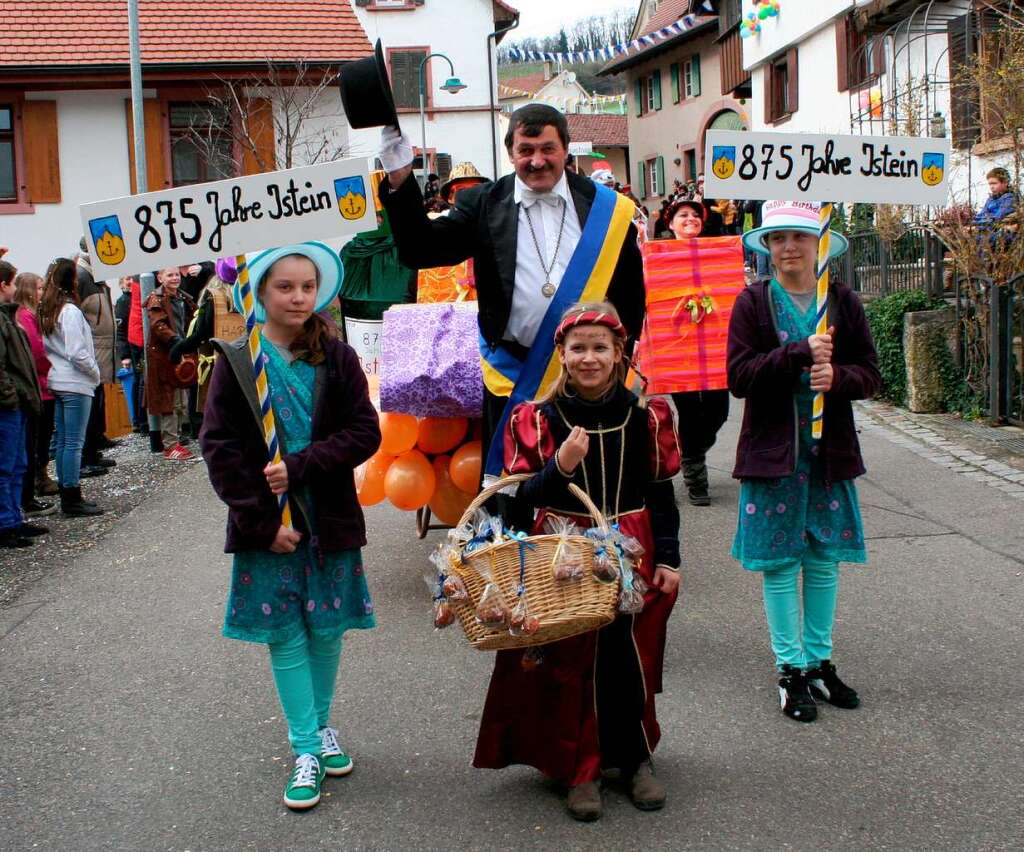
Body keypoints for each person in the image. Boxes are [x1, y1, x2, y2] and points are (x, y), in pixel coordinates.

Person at [473, 303, 681, 822]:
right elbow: (515, 501)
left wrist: (671, 558)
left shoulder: (645, 417)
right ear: (562, 356)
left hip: (632, 546)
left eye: (600, 348)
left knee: (629, 656)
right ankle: (579, 767)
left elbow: (660, 494)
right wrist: (560, 466)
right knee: (568, 660)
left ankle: (634, 758)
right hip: (560, 549)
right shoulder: (538, 418)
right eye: (579, 348)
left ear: (619, 354)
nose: (589, 358)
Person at [379, 104, 645, 501]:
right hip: (512, 372)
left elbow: (628, 293)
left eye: (547, 148)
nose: (537, 161)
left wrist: (620, 361)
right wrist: (400, 177)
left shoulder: (606, 208)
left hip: (588, 373)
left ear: (566, 149)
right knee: (510, 492)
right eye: (526, 150)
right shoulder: (483, 204)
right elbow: (420, 250)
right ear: (511, 153)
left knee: (589, 488)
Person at [200, 242, 381, 811]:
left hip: (328, 515)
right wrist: (259, 523)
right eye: (285, 286)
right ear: (259, 291)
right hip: (270, 523)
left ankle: (321, 727)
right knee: (287, 634)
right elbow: (220, 448)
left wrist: (302, 464)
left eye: (307, 286)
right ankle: (305, 745)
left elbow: (365, 433)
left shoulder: (338, 357)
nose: (298, 297)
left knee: (327, 628)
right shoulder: (237, 361)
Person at [728, 201, 880, 722]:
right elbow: (740, 376)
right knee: (779, 562)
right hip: (774, 454)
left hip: (828, 452)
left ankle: (819, 662)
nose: (789, 247)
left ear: (819, 244)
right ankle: (789, 671)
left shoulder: (842, 301)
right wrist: (797, 354)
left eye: (798, 236)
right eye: (777, 239)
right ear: (766, 247)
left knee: (821, 561)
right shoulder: (753, 303)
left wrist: (838, 378)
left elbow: (870, 373)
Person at [663, 198, 732, 506]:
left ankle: (691, 452)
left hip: (715, 346)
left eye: (694, 215)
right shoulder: (657, 256)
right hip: (677, 348)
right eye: (682, 215)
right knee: (690, 411)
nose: (689, 218)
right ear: (671, 223)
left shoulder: (718, 254)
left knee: (719, 410)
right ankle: (695, 476)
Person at [39, 258, 103, 517]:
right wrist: (95, 372)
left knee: (65, 440)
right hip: (75, 381)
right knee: (74, 442)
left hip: (57, 379)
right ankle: (72, 495)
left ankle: (68, 491)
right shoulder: (70, 312)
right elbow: (77, 352)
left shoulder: (47, 310)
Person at [1, 259, 48, 547]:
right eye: (13, 282)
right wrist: (11, 396)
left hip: (16, 404)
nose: (16, 288)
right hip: (7, 406)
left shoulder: (8, 316)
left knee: (18, 463)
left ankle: (15, 519)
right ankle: (5, 525)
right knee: (5, 467)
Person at [169, 260, 246, 412]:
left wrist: (177, 349)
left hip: (219, 362)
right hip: (244, 360)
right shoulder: (247, 297)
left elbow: (201, 334)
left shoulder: (213, 298)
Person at [13, 272, 58, 514]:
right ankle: (30, 491)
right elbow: (37, 352)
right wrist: (52, 367)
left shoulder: (31, 316)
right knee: (35, 442)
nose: (42, 292)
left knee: (40, 440)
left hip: (42, 384)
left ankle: (40, 479)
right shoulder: (25, 317)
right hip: (39, 387)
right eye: (39, 288)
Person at [145, 267, 197, 460]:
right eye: (170, 275)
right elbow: (158, 325)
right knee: (169, 401)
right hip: (165, 356)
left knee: (181, 400)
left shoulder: (183, 298)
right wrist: (176, 340)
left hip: (180, 353)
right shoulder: (156, 299)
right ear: (160, 277)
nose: (175, 278)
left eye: (176, 274)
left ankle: (176, 440)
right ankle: (170, 445)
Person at [77, 240, 118, 478]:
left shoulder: (96, 276)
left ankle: (94, 449)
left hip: (102, 349)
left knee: (99, 400)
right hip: (94, 349)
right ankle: (88, 454)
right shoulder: (83, 277)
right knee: (91, 405)